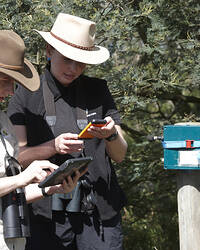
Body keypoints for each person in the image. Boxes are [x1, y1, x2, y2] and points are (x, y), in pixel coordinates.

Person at [8, 13, 128, 250]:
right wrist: (52, 147)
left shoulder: (98, 90)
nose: (73, 69)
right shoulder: (25, 93)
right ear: (49, 51)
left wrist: (111, 135)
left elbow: (120, 154)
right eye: (67, 59)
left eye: (81, 62)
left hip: (99, 215)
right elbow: (17, 159)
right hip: (45, 219)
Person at [0, 30, 84, 250]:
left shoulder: (3, 123)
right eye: (4, 81)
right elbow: (17, 182)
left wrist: (49, 188)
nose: (9, 91)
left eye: (13, 83)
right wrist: (25, 176)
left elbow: (11, 193)